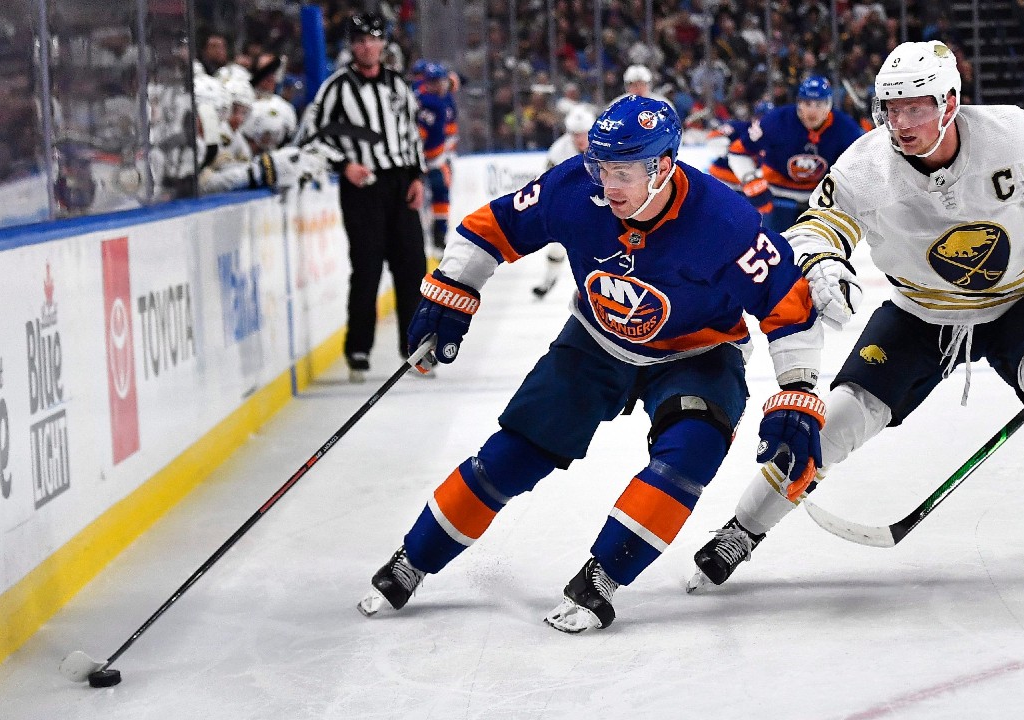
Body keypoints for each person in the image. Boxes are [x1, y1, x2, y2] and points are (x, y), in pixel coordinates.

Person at [689, 40, 1024, 592]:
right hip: (921, 313)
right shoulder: (866, 165)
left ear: (951, 103)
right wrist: (821, 261)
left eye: (917, 107)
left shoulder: (1010, 133)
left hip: (1022, 300)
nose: (902, 121)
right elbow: (817, 224)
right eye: (892, 107)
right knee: (836, 421)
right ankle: (742, 530)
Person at [357, 95, 828, 633]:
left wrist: (799, 388)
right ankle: (411, 559)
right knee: (511, 456)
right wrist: (450, 288)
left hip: (697, 354)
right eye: (601, 167)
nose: (607, 184)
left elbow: (787, 302)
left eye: (622, 170)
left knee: (691, 451)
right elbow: (491, 226)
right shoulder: (574, 189)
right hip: (594, 341)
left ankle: (602, 577)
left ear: (664, 166)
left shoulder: (724, 219)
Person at [304, 12, 428, 383]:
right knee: (367, 269)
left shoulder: (397, 86)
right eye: (359, 41)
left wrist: (418, 176)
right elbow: (314, 133)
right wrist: (344, 165)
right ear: (351, 46)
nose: (366, 46)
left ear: (382, 44)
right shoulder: (336, 87)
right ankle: (358, 350)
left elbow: (411, 133)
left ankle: (416, 348)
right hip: (362, 190)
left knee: (412, 269)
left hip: (400, 184)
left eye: (372, 40)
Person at [728, 75, 863, 232]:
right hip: (777, 198)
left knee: (817, 253)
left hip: (821, 201)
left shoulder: (846, 129)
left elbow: (860, 167)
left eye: (819, 104)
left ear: (829, 105)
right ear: (799, 103)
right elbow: (739, 152)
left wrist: (844, 195)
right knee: (777, 250)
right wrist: (750, 179)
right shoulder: (776, 121)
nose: (812, 111)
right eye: (807, 103)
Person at [530, 104, 595, 298]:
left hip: (605, 201)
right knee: (558, 244)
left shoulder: (605, 144)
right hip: (571, 202)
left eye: (584, 134)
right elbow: (546, 181)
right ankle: (549, 280)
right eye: (575, 134)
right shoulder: (559, 150)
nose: (580, 139)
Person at [413, 61, 459, 272]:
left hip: (436, 158)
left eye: (440, 81)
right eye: (433, 81)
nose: (438, 85)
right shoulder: (428, 102)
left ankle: (439, 239)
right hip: (423, 162)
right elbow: (419, 134)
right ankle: (432, 241)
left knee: (441, 196)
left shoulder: (441, 99)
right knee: (423, 200)